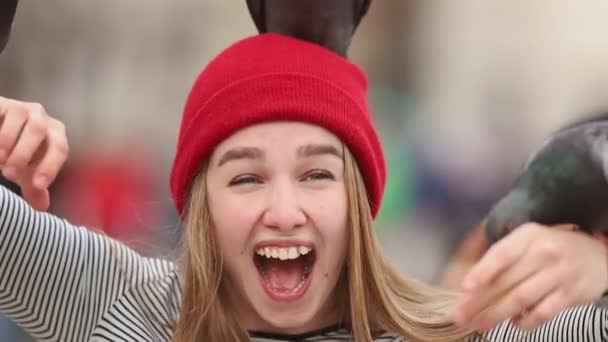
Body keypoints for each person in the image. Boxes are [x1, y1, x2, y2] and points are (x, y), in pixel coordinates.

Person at [1, 34, 608, 342]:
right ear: (200, 205)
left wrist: (600, 265)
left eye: (318, 174)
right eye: (245, 177)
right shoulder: (119, 304)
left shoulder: (456, 332)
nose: (284, 211)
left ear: (361, 204)